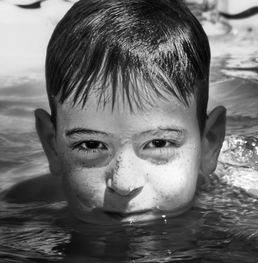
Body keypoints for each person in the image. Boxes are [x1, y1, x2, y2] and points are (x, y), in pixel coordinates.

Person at [25, 0, 227, 224]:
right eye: (91, 145)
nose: (124, 184)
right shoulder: (18, 218)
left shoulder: (254, 213)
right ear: (52, 146)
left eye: (159, 143)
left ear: (209, 143)